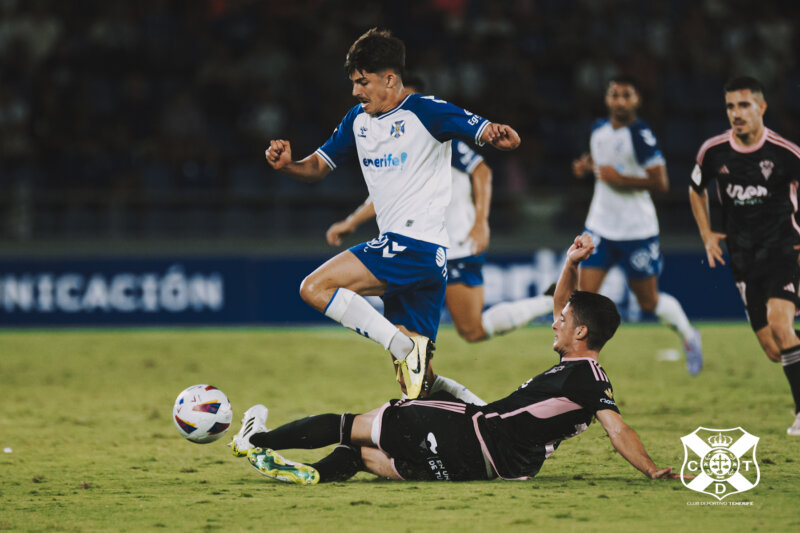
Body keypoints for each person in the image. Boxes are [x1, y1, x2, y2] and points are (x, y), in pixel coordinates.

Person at [229, 234, 681, 485]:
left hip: (475, 434)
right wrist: (570, 263)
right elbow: (567, 302)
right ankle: (312, 475)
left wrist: (651, 468)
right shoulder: (586, 373)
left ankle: (258, 441)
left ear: (581, 332)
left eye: (562, 321)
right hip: (488, 466)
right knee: (364, 455)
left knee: (358, 423)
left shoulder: (586, 378)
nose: (553, 323)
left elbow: (616, 427)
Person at [263, 28, 520, 404]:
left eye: (362, 82)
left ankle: (400, 345)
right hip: (420, 261)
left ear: (389, 78)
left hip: (411, 247)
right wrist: (289, 165)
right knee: (418, 387)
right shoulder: (357, 121)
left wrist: (497, 134)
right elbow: (318, 166)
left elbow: (481, 129)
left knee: (314, 288)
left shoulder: (427, 110)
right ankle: (498, 425)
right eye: (353, 82)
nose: (355, 91)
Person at [326, 74, 554, 345]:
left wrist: (481, 221)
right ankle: (420, 380)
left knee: (471, 330)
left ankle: (549, 302)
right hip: (414, 245)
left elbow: (481, 171)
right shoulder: (395, 148)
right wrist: (351, 222)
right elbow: (387, 196)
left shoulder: (439, 136)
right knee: (412, 335)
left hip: (456, 242)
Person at [689, 76, 800, 436]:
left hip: (785, 250)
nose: (736, 113)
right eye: (730, 106)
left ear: (761, 107)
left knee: (783, 326)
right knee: (773, 348)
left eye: (744, 105)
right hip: (743, 260)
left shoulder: (786, 153)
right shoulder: (714, 151)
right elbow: (695, 189)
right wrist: (707, 234)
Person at [572, 74, 703, 376]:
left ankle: (688, 335)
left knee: (648, 302)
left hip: (636, 230)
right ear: (607, 98)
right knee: (584, 299)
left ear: (636, 100)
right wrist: (586, 165)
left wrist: (621, 180)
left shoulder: (641, 135)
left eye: (626, 95)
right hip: (601, 226)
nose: (619, 101)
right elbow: (599, 158)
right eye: (614, 95)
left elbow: (661, 182)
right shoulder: (598, 128)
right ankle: (580, 369)